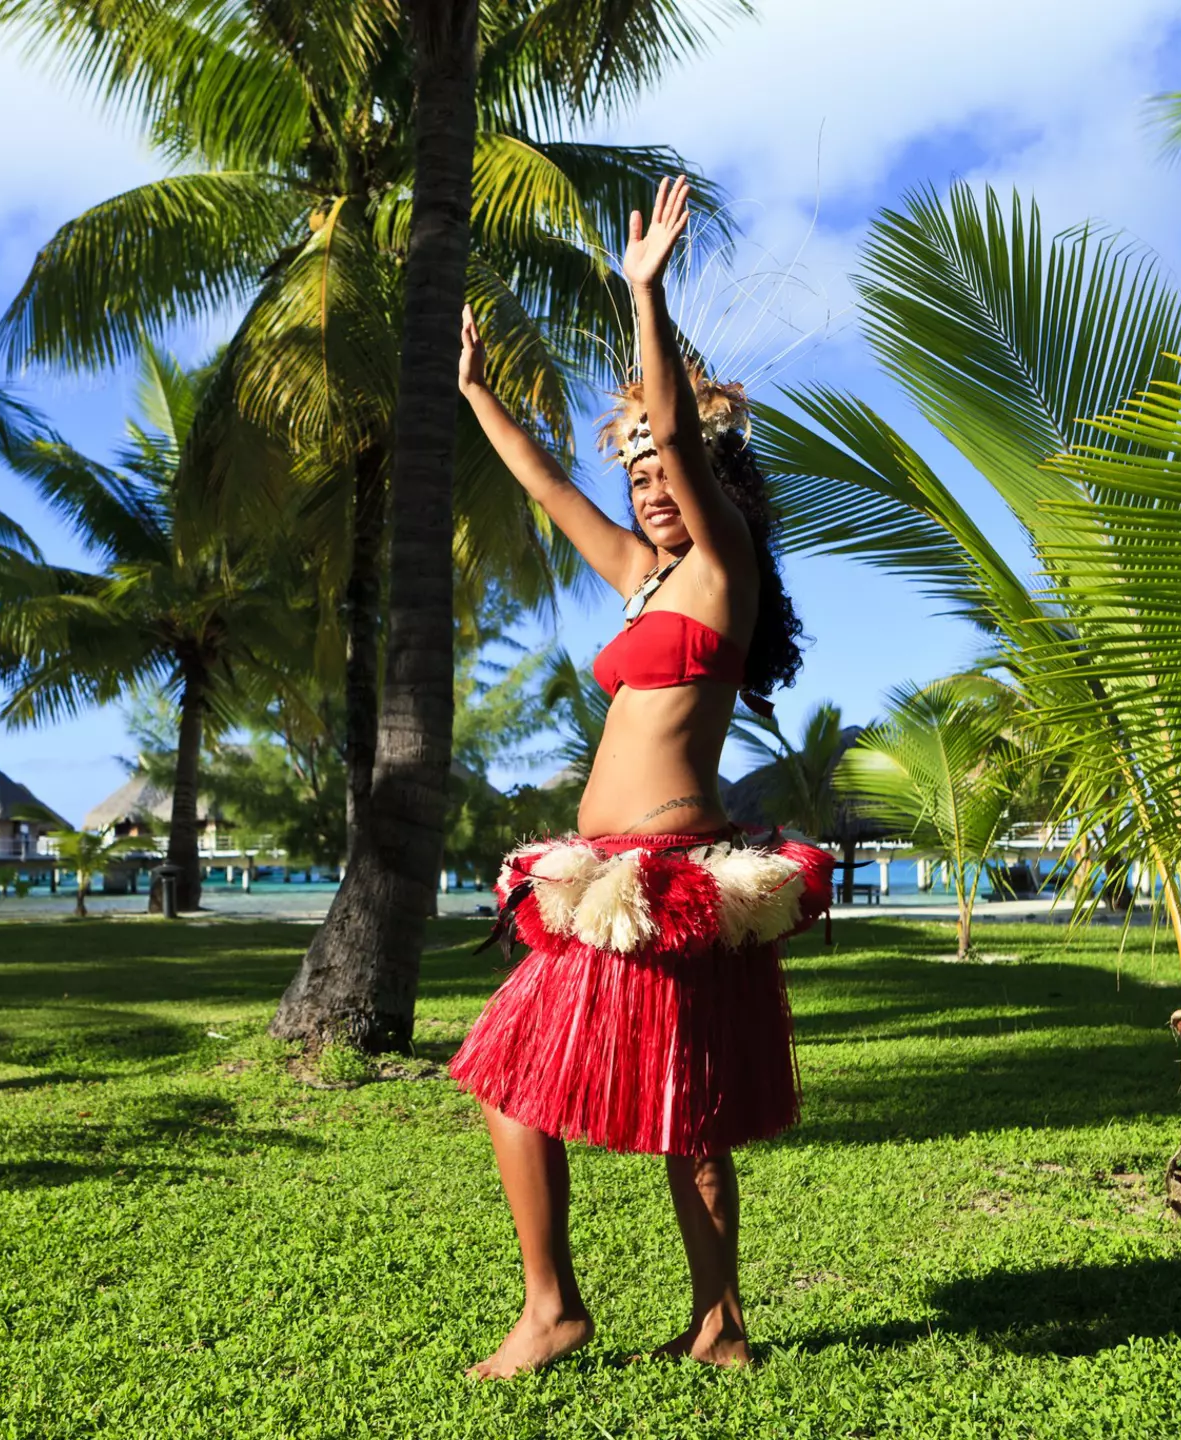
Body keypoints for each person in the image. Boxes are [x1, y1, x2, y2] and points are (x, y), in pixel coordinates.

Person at [449, 176, 832, 1378]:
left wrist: (644, 295)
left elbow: (670, 430)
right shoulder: (645, 579)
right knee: (513, 1084)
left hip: (670, 882)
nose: (648, 488)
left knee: (692, 1120)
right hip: (597, 883)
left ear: (714, 484)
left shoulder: (723, 573)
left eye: (668, 475)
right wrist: (474, 398)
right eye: (639, 481)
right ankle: (554, 1305)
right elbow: (549, 490)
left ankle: (716, 1324)